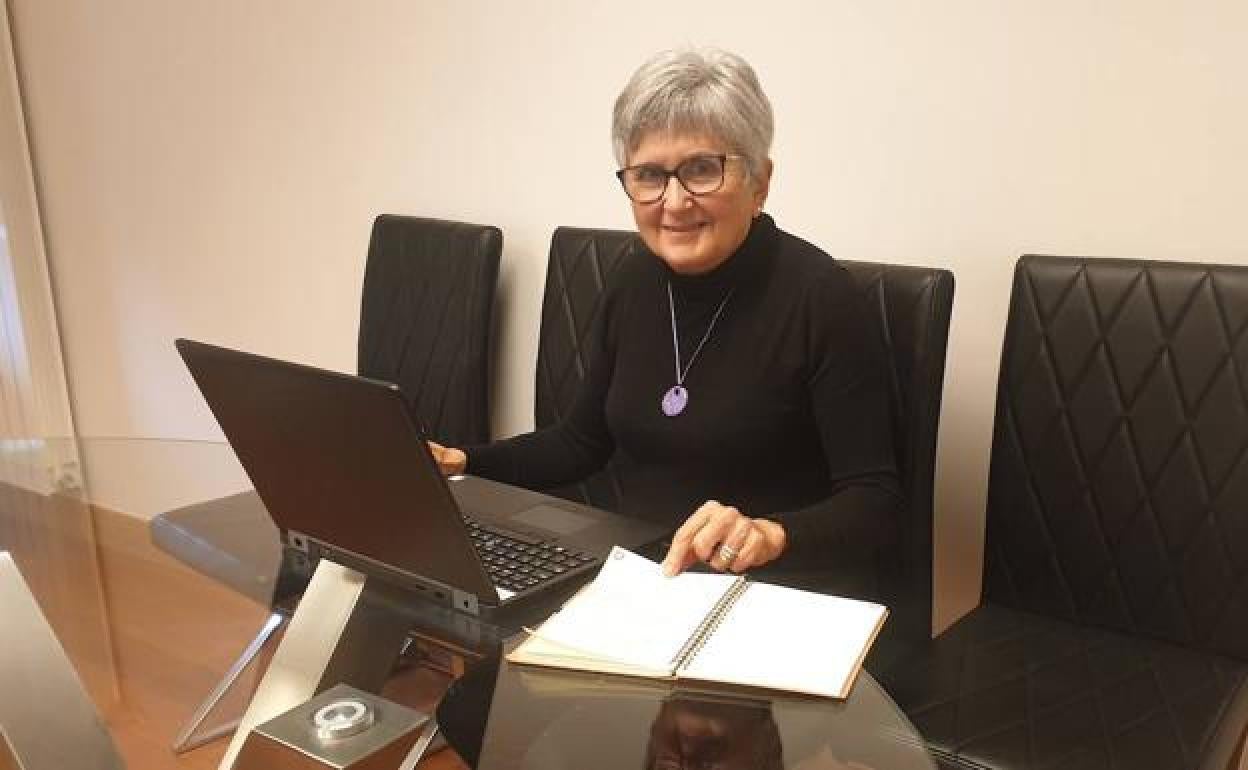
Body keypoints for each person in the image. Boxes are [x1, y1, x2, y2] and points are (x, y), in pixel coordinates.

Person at [430, 47, 900, 582]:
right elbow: (580, 442)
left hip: (770, 593)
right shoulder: (632, 280)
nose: (673, 202)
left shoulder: (821, 297)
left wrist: (768, 534)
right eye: (650, 175)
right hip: (641, 579)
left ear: (760, 182)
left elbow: (876, 502)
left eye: (702, 169)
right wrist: (463, 461)